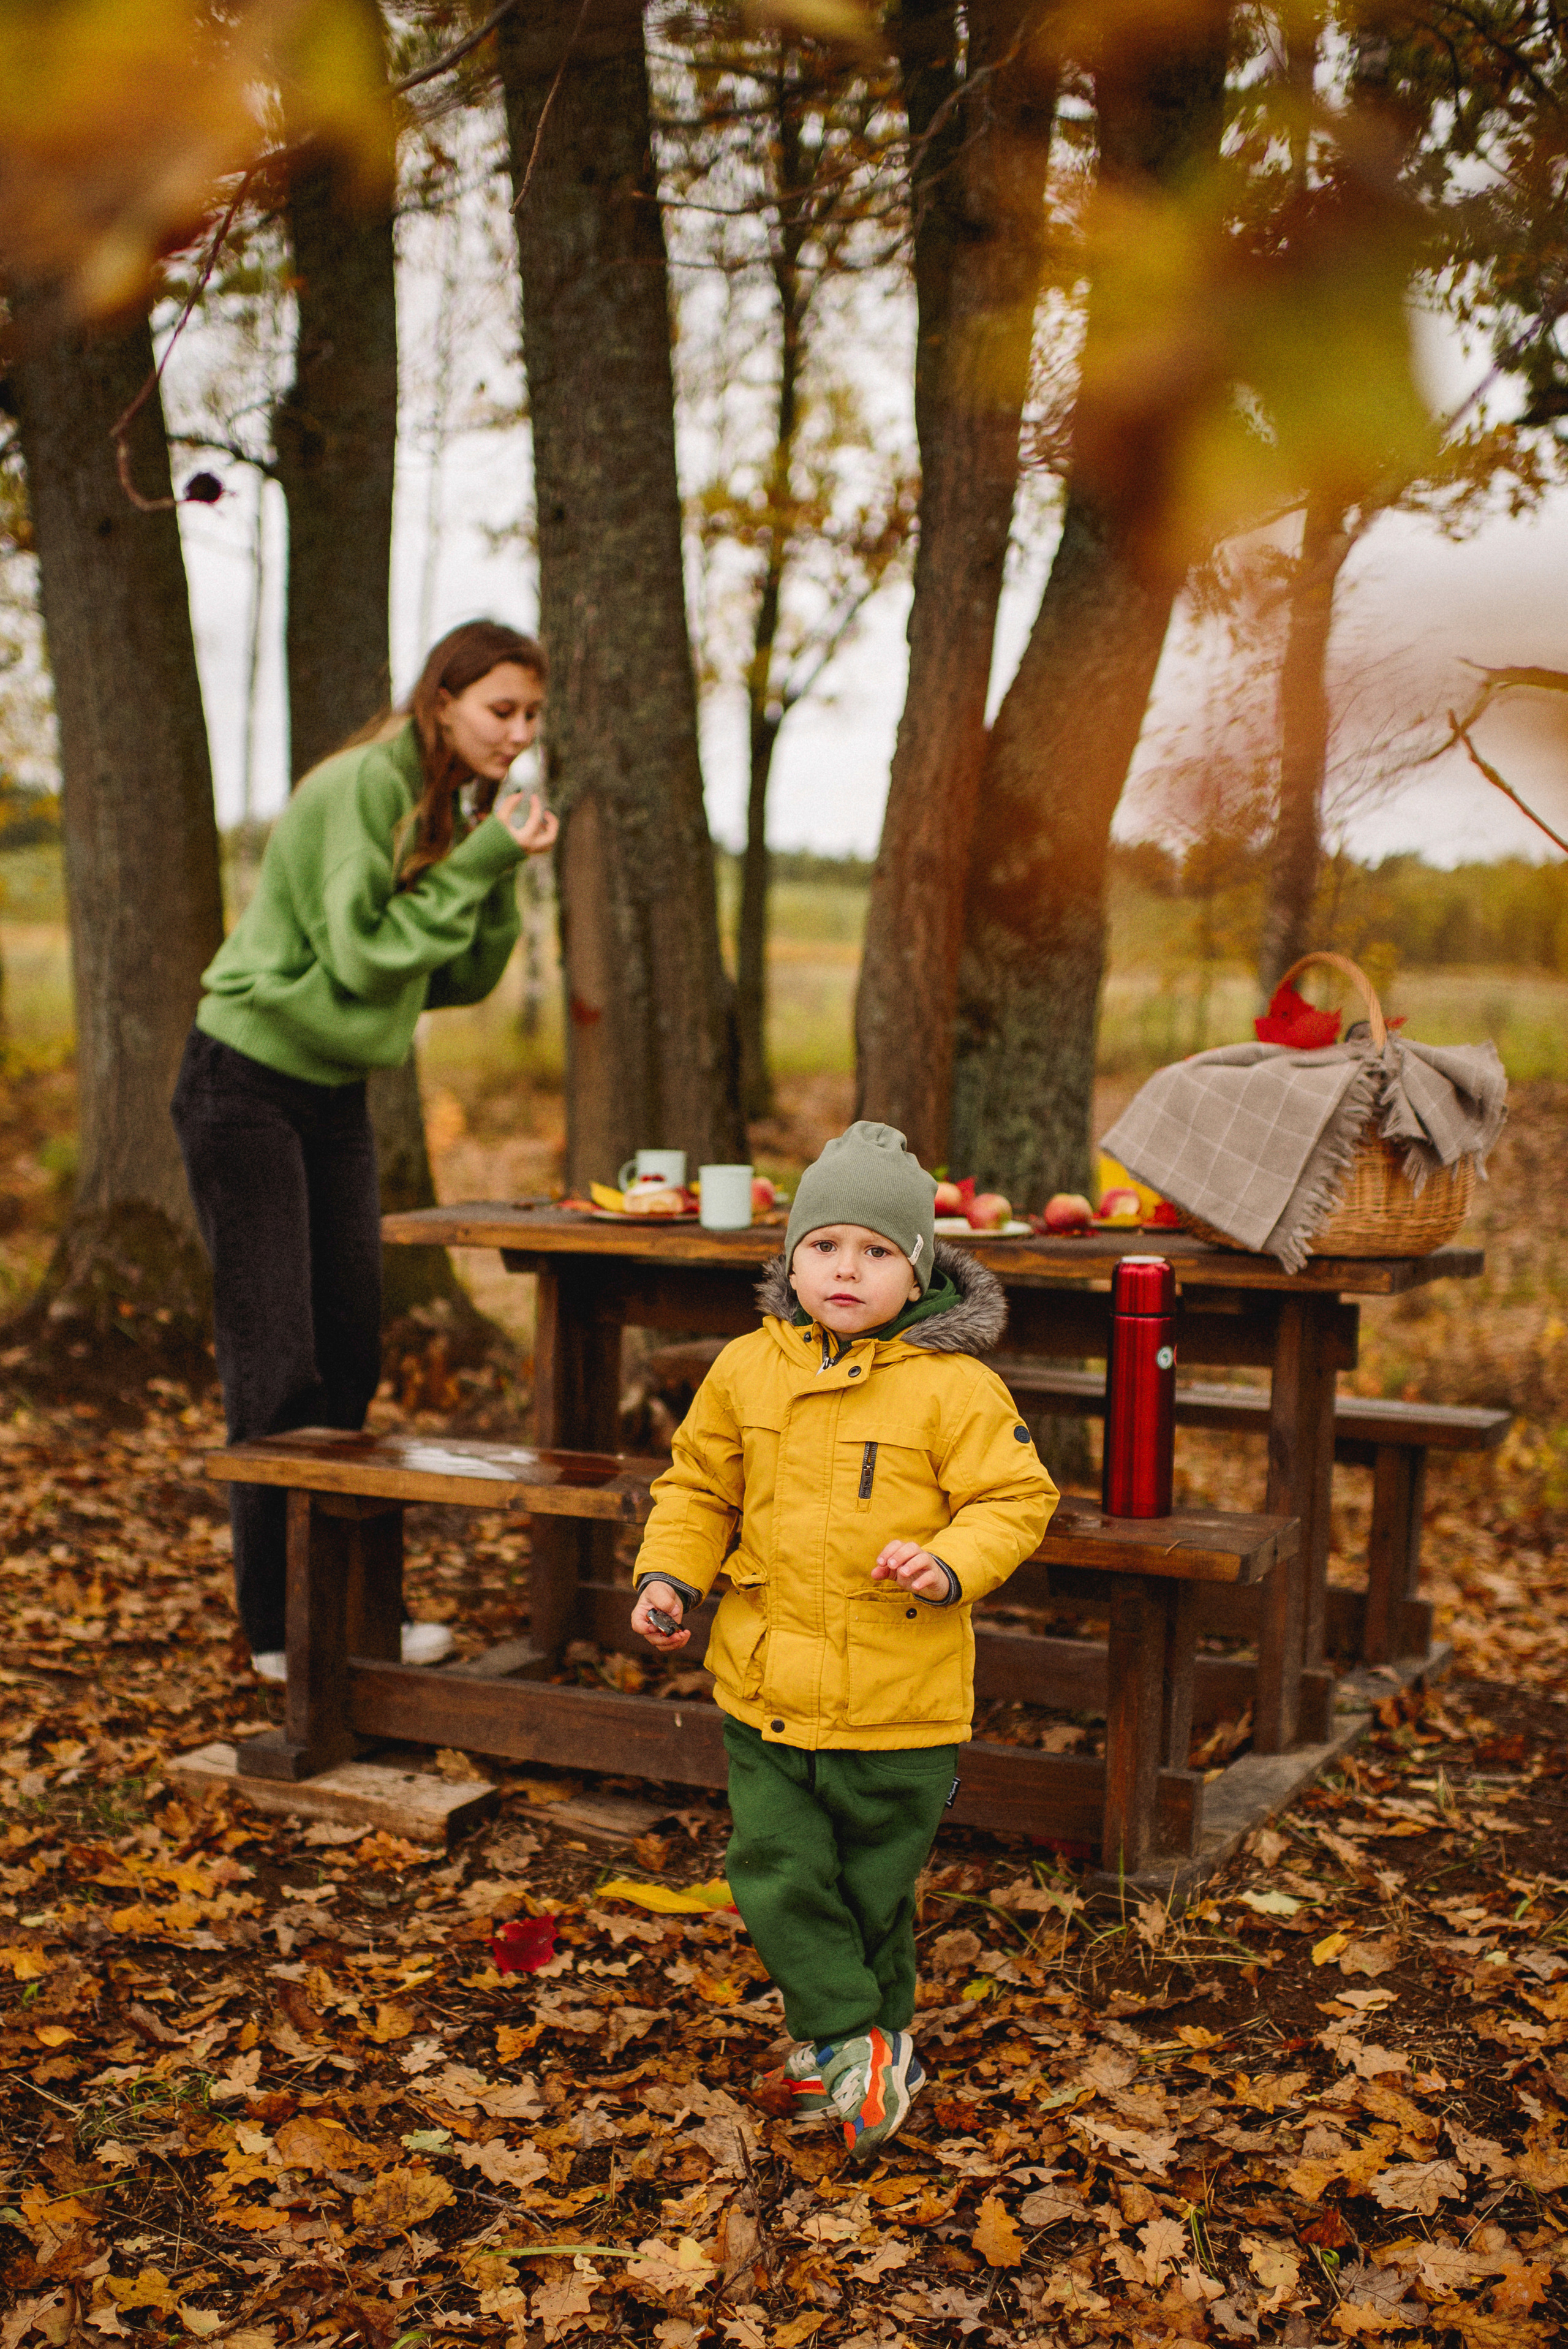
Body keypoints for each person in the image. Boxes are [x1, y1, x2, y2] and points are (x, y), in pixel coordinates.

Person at [630, 1121, 1058, 2162]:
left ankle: (864, 2050)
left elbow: (1015, 1497)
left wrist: (950, 1559)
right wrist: (669, 1574)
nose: (846, 1269)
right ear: (791, 1260)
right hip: (767, 1687)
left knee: (871, 1893)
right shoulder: (746, 1369)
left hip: (899, 1701)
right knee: (776, 1867)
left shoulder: (954, 1387)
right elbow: (699, 1486)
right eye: (824, 1246)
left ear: (918, 1272)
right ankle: (847, 2035)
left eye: (876, 1250)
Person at [171, 620, 558, 1684]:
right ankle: (280, 1627)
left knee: (350, 1353)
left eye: (532, 715)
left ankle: (346, 1605)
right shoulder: (362, 788)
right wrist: (482, 859)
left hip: (336, 1090)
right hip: (245, 1081)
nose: (519, 733)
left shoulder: (451, 805)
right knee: (278, 1364)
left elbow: (455, 975)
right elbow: (361, 953)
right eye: (501, 710)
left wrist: (498, 868)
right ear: (442, 701)